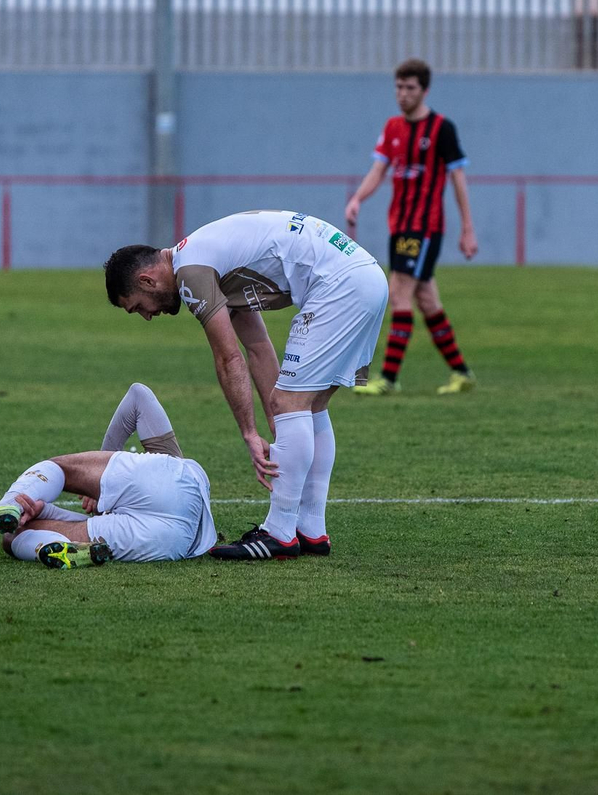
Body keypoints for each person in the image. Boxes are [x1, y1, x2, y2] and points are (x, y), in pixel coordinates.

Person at [104, 210, 388, 560]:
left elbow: (229, 358)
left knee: (291, 403)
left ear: (148, 281)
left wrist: (250, 433)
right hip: (365, 277)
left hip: (339, 287)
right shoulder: (210, 262)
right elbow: (256, 346)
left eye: (137, 308)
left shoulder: (191, 273)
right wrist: (276, 422)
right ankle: (311, 530)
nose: (147, 315)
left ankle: (280, 533)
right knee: (308, 407)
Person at [0, 383, 216, 568]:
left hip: (159, 510)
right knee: (18, 534)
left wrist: (102, 471)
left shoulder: (167, 462)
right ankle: (57, 546)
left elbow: (138, 393)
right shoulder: (175, 465)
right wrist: (43, 510)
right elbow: (140, 395)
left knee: (57, 469)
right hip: (178, 541)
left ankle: (9, 503)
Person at [344, 57, 478, 396]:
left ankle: (388, 378)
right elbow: (379, 170)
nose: (402, 94)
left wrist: (467, 228)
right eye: (399, 87)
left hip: (425, 228)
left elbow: (458, 178)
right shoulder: (392, 128)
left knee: (399, 291)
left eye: (410, 88)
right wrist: (358, 198)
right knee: (427, 300)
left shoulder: (441, 129)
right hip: (400, 227)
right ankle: (461, 373)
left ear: (424, 89)